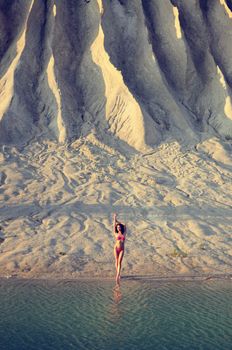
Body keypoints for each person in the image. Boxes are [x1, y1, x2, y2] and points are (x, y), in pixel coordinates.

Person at [113, 213, 126, 284]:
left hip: (122, 249)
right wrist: (115, 218)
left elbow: (125, 224)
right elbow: (114, 224)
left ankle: (117, 275)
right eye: (117, 227)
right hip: (116, 248)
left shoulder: (124, 233)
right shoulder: (115, 233)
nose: (118, 228)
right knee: (116, 261)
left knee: (120, 262)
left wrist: (119, 222)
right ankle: (118, 274)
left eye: (119, 227)